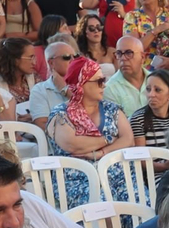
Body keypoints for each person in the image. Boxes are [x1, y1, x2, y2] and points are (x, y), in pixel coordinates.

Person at [46, 56, 135, 207]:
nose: (104, 86)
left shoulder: (111, 108)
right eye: (99, 81)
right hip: (79, 181)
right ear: (82, 84)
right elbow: (73, 144)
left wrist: (102, 152)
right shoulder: (61, 113)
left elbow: (128, 140)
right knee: (103, 207)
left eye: (104, 80)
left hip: (119, 179)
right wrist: (109, 139)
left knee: (141, 203)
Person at [28, 33, 76, 129]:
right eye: (66, 57)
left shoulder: (87, 83)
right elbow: (43, 125)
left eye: (75, 56)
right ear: (51, 63)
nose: (73, 60)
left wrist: (66, 91)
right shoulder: (39, 90)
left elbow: (94, 116)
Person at [0, 36, 37, 120]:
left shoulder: (35, 79)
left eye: (34, 57)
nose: (34, 62)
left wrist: (35, 116)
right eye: (30, 57)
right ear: (16, 60)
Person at [103, 35, 147, 115]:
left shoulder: (157, 81)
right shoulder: (109, 89)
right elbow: (118, 125)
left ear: (143, 57)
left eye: (129, 53)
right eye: (119, 53)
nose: (123, 58)